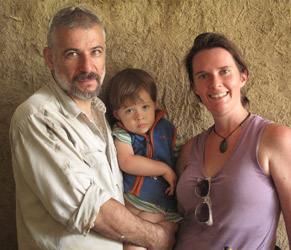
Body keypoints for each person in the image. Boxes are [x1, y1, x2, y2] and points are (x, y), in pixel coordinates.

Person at [9, 5, 176, 250]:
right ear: (49, 58)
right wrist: (157, 237)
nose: (87, 67)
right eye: (72, 54)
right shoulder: (38, 117)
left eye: (95, 52)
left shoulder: (100, 112)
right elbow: (91, 209)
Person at [174, 32, 291, 250]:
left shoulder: (275, 139)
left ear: (242, 76)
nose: (215, 83)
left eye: (224, 71)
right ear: (194, 89)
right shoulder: (190, 149)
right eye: (203, 76)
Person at [104, 68, 184, 249]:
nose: (139, 116)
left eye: (145, 107)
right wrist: (164, 169)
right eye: (130, 110)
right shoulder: (122, 132)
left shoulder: (169, 131)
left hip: (165, 208)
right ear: (118, 115)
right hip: (136, 206)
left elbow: (183, 162)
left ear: (155, 105)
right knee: (133, 243)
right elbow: (127, 161)